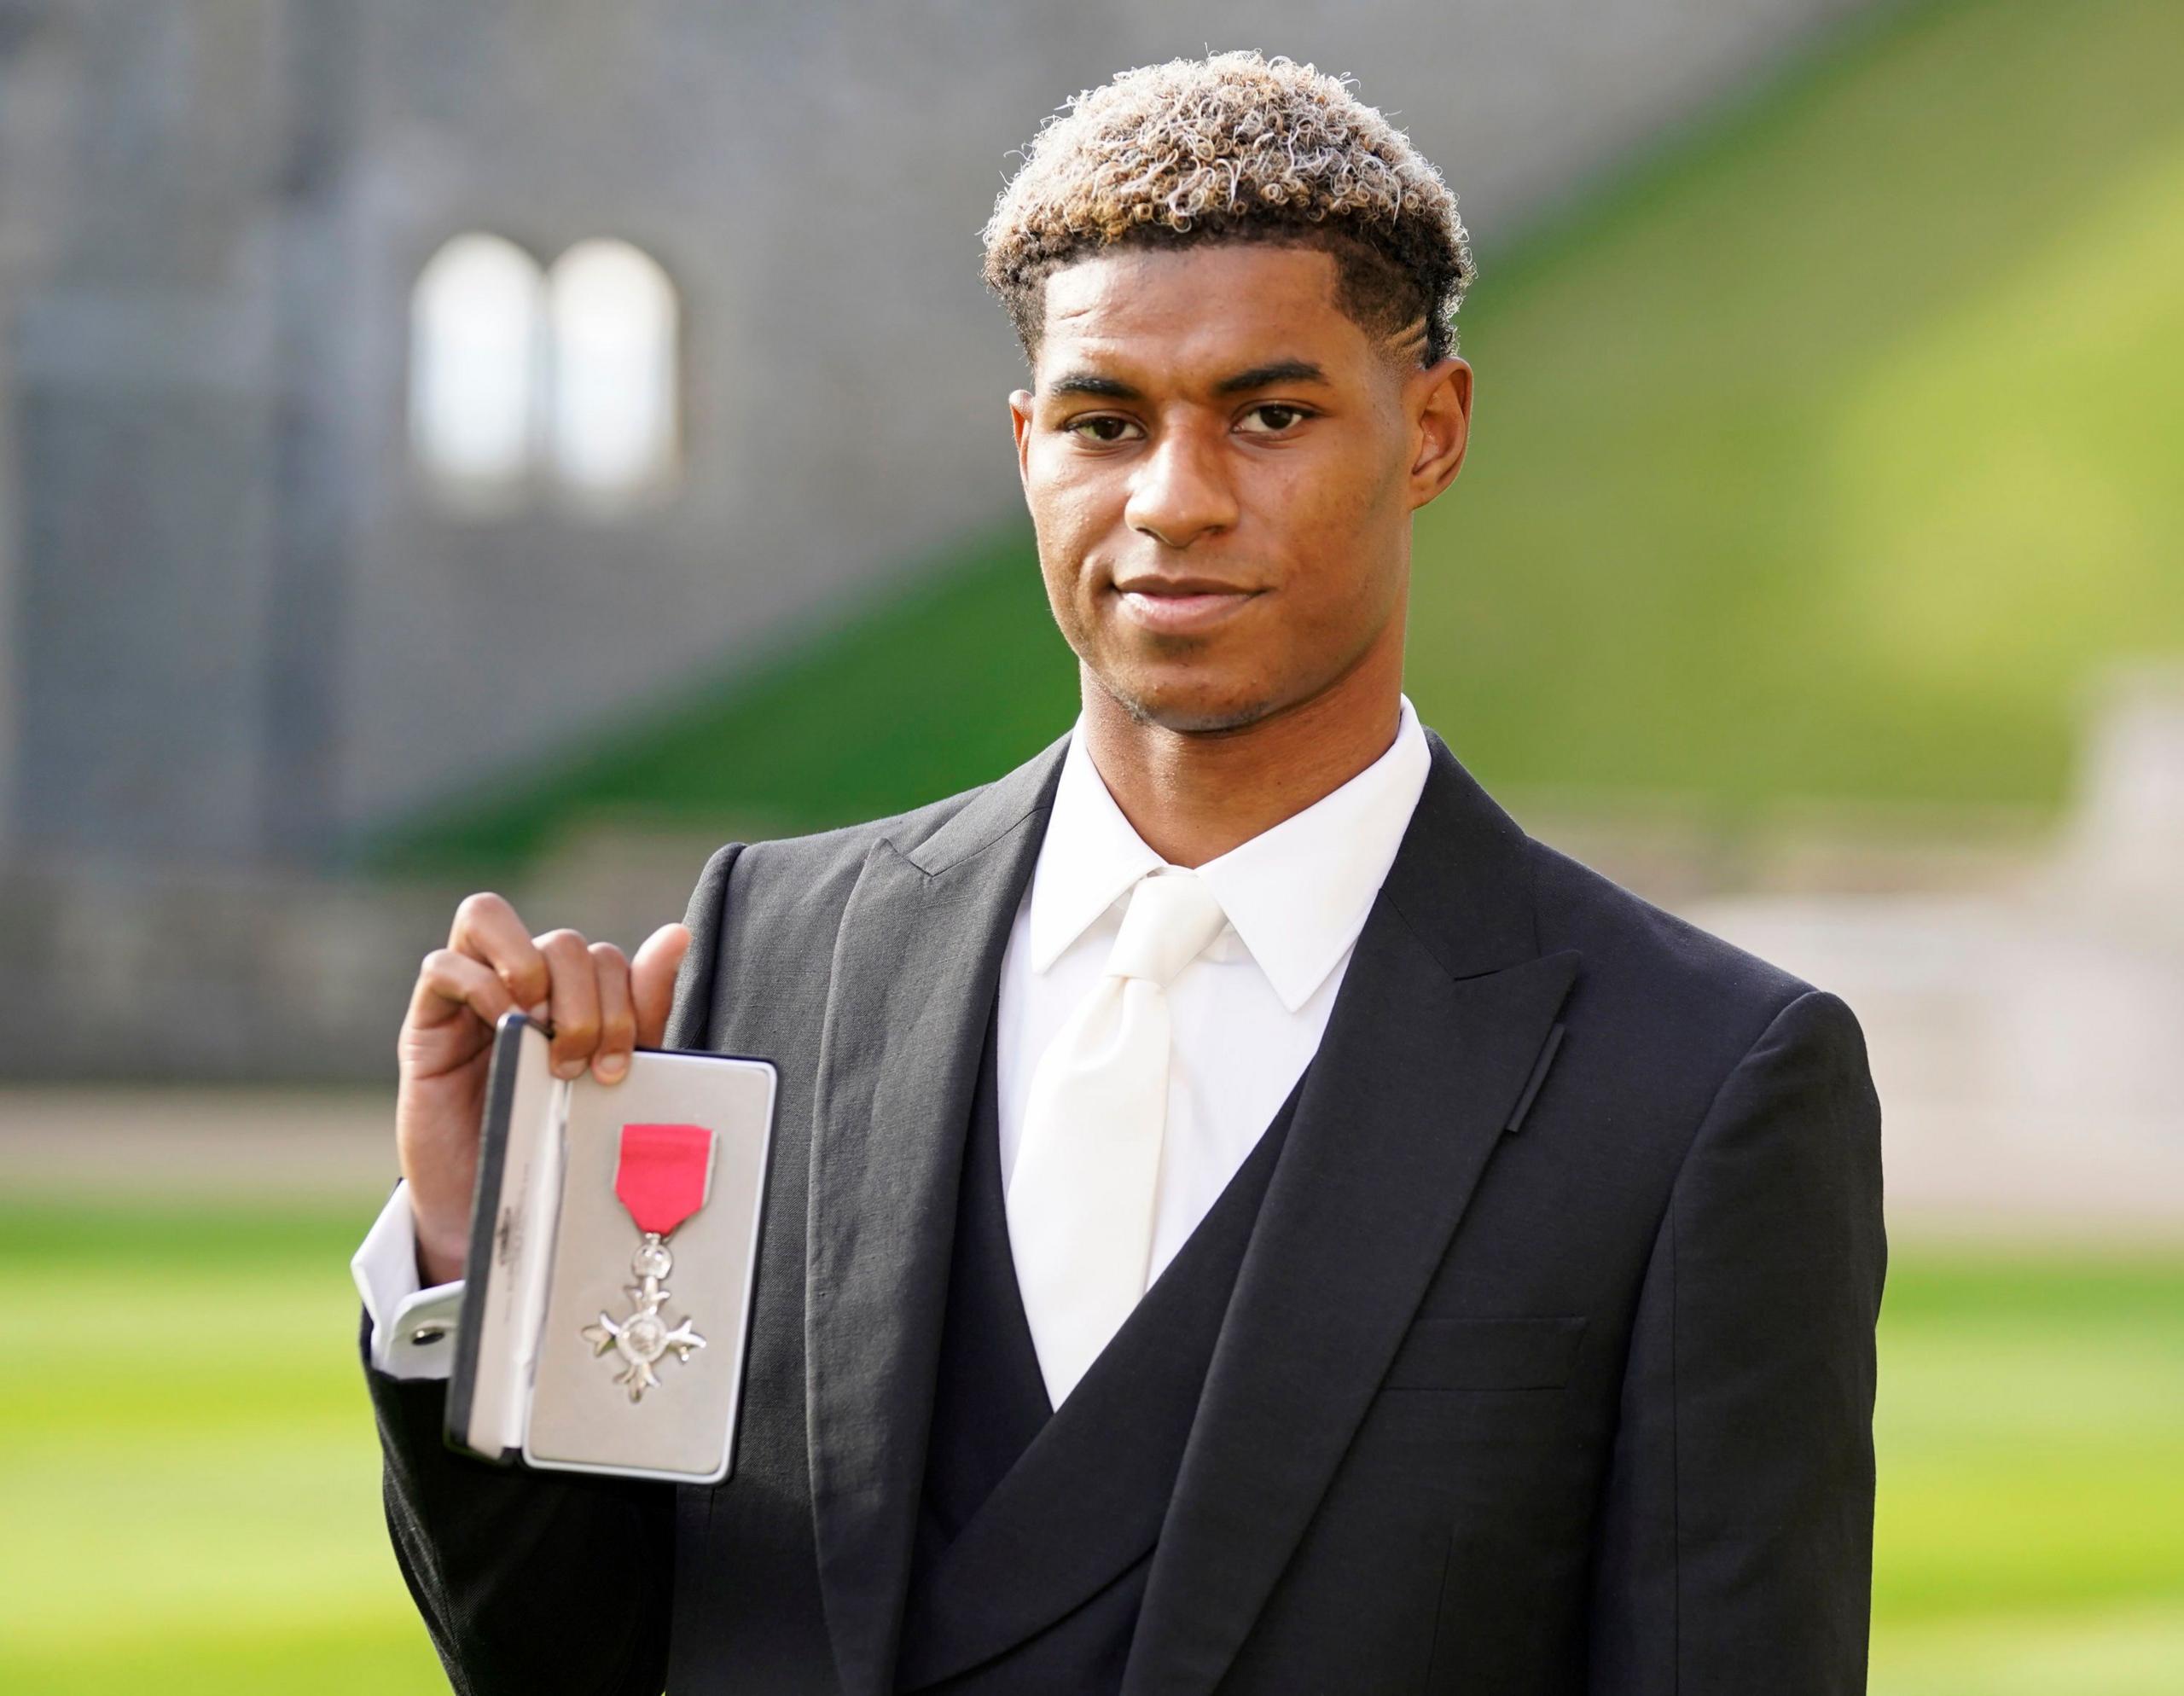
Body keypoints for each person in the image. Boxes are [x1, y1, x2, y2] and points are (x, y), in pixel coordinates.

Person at [356, 49, 1885, 1695]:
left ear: (1430, 429)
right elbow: (570, 1661)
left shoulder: (1697, 1084)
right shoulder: (767, 964)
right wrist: (473, 1260)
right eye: (1106, 422)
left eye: (1271, 415)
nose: (1174, 500)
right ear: (1029, 445)